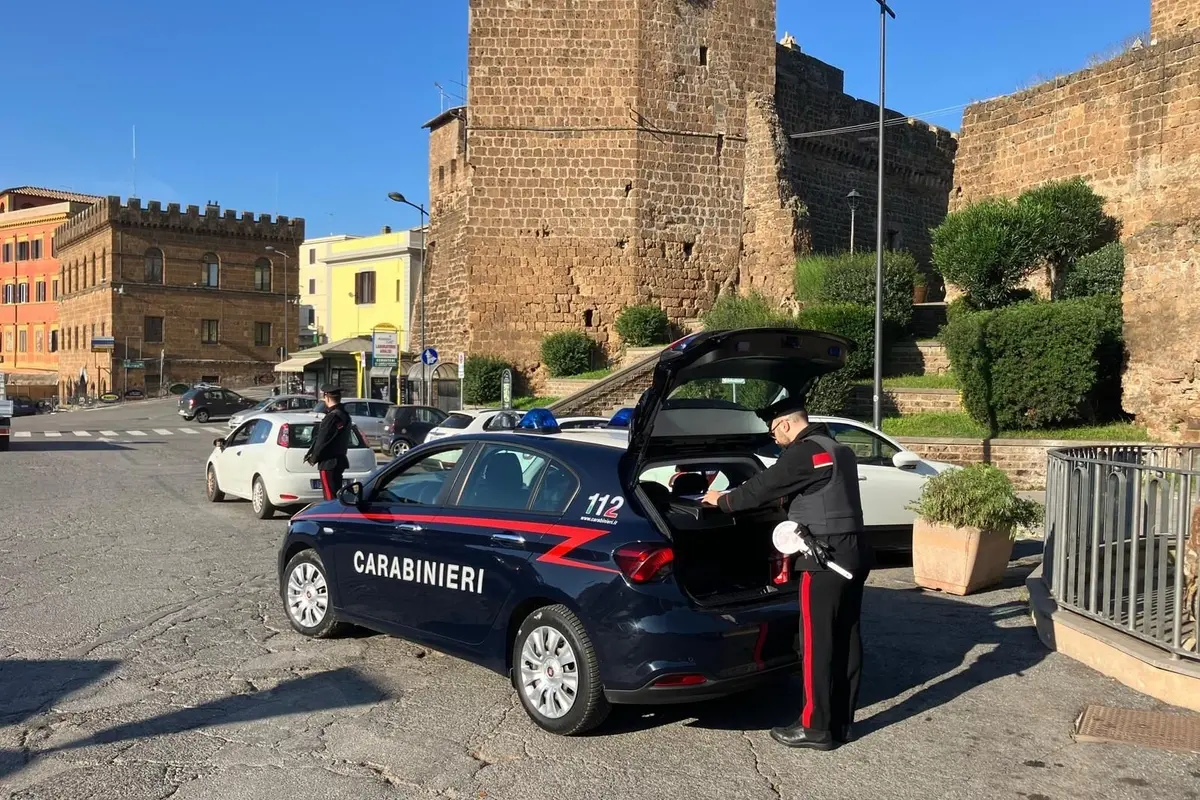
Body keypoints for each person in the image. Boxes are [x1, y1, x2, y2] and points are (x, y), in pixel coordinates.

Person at [701, 395, 870, 751]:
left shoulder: (803, 453)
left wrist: (721, 500)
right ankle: (841, 723)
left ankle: (814, 728)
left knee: (817, 644)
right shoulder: (837, 449)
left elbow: (757, 491)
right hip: (854, 554)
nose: (774, 438)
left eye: (774, 431)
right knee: (846, 638)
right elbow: (814, 493)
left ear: (787, 424)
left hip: (823, 560)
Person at [305, 384, 353, 501]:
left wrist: (313, 457)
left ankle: (332, 518)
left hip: (328, 463)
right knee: (336, 495)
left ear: (326, 397)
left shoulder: (331, 417)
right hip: (338, 461)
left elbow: (322, 439)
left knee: (330, 497)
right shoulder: (344, 415)